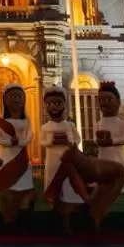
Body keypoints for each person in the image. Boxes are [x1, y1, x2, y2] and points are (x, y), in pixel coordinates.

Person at [41, 86, 93, 234]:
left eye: (57, 103)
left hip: (68, 161)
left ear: (64, 104)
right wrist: (51, 141)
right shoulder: (46, 127)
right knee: (54, 188)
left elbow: (77, 138)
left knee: (69, 188)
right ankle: (57, 221)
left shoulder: (70, 125)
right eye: (50, 104)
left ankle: (70, 221)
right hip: (52, 161)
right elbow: (42, 142)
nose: (54, 107)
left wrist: (70, 141)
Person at [0, 84, 35, 227]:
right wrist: (10, 142)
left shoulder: (26, 119)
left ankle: (19, 216)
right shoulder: (1, 120)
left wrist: (20, 142)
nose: (16, 100)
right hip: (6, 158)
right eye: (12, 96)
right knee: (6, 191)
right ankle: (7, 218)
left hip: (21, 158)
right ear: (5, 100)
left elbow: (30, 135)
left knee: (23, 191)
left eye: (19, 96)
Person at [95, 82, 124, 193]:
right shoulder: (98, 123)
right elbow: (95, 137)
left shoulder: (122, 124)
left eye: (109, 100)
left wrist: (112, 141)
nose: (104, 103)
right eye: (102, 100)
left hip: (118, 154)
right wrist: (99, 141)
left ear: (118, 102)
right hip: (104, 154)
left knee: (121, 168)